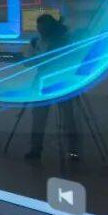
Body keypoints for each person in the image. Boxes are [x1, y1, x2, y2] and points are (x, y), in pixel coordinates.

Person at [27, 14, 80, 161]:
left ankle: (73, 150)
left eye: (43, 28)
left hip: (60, 83)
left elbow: (71, 58)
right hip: (47, 83)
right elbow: (29, 61)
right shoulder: (38, 42)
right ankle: (36, 149)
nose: (40, 31)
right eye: (39, 28)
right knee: (40, 118)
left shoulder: (64, 41)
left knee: (66, 118)